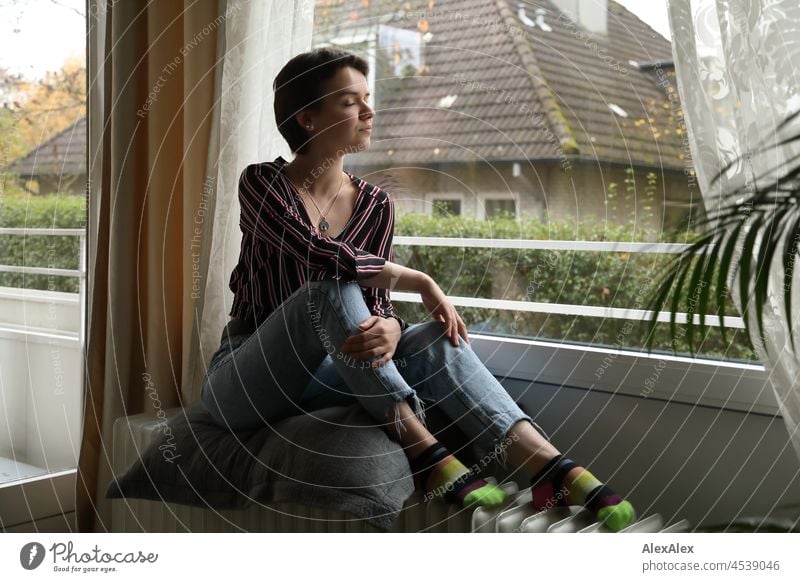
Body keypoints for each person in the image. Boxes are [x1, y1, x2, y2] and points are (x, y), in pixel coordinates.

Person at [200, 47, 636, 531]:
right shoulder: (263, 183)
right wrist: (418, 278)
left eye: (368, 98)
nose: (369, 112)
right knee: (325, 286)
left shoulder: (376, 205)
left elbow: (375, 305)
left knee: (431, 339)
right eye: (350, 102)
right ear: (306, 117)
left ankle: (552, 468)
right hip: (247, 380)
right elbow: (317, 256)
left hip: (329, 376)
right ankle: (424, 451)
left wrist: (390, 325)